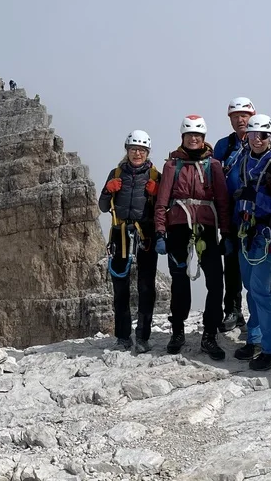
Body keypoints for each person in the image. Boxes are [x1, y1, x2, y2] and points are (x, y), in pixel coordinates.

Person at [153, 115, 232, 360]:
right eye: (190, 135)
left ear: (203, 138)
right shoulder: (171, 165)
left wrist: (226, 233)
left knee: (215, 282)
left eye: (197, 135)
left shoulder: (214, 165)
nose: (194, 139)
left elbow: (222, 201)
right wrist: (160, 231)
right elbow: (162, 200)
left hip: (206, 227)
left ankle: (210, 334)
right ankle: (178, 330)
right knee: (179, 280)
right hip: (178, 226)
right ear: (183, 138)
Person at [227, 114, 271, 370]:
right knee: (249, 287)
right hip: (247, 232)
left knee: (260, 288)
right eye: (252, 135)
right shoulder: (245, 159)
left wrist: (256, 198)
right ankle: (255, 339)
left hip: (270, 236)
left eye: (262, 135)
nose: (256, 139)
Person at [98, 130, 160, 354]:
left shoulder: (155, 177)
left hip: (145, 235)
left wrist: (157, 192)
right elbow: (103, 206)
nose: (137, 153)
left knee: (146, 287)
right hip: (120, 234)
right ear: (127, 150)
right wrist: (108, 190)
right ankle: (123, 336)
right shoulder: (115, 174)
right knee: (120, 287)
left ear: (147, 153)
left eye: (142, 150)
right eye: (134, 149)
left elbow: (162, 209)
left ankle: (143, 336)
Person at [214, 96, 256, 332]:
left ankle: (256, 315)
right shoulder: (224, 145)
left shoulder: (263, 140)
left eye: (244, 115)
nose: (240, 120)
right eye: (235, 116)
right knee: (231, 263)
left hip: (256, 214)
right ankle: (233, 310)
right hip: (231, 214)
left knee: (254, 265)